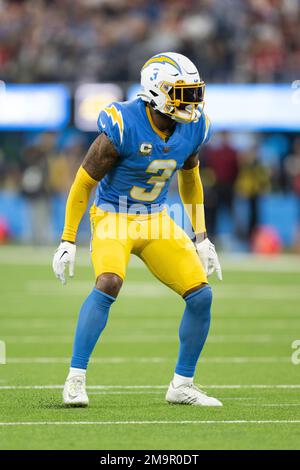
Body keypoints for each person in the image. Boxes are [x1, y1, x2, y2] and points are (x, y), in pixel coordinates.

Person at [52, 52, 222, 407]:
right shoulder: (124, 123)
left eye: (193, 92)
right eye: (182, 92)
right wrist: (68, 238)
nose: (192, 101)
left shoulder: (193, 126)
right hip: (114, 215)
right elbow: (83, 183)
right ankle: (75, 378)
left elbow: (191, 180)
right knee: (109, 282)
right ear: (156, 91)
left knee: (201, 295)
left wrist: (201, 236)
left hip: (157, 217)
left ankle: (182, 384)